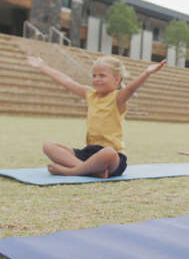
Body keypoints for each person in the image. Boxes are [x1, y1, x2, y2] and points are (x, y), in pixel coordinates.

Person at [27, 55, 166, 178]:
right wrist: (42, 66)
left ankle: (71, 171)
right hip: (89, 153)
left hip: (111, 158)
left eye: (102, 75)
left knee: (108, 153)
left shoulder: (118, 98)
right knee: (49, 146)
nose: (96, 79)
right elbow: (66, 81)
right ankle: (91, 170)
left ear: (116, 79)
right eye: (94, 76)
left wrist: (147, 73)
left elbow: (131, 88)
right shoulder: (90, 95)